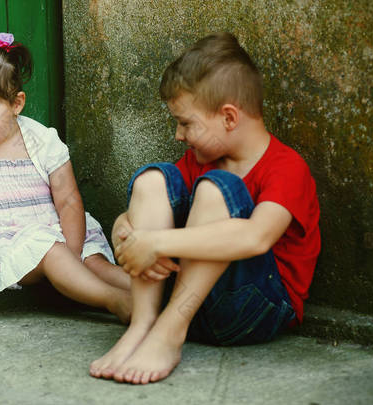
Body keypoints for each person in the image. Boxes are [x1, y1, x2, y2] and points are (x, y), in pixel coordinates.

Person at [89, 32, 320, 384]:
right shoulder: (201, 159)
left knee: (217, 189)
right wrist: (127, 229)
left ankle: (169, 334)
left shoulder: (286, 167)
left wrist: (158, 244)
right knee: (152, 179)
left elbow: (257, 238)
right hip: (186, 298)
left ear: (229, 117)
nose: (179, 135)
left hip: (254, 310)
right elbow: (151, 207)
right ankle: (142, 324)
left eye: (185, 123)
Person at [0, 33, 131, 322]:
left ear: (16, 104)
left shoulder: (43, 141)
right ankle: (115, 302)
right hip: (10, 243)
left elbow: (68, 200)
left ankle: (159, 297)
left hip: (65, 233)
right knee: (51, 253)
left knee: (97, 266)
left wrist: (74, 252)